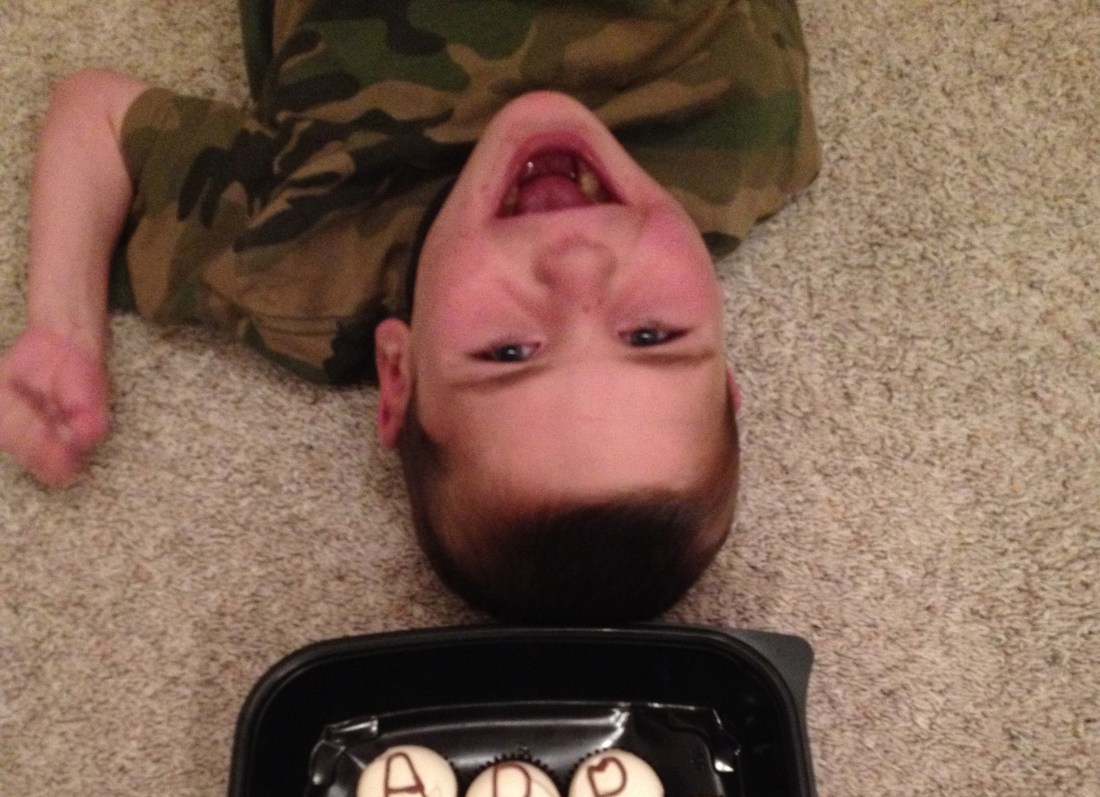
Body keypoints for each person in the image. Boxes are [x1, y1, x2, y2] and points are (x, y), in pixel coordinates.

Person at [0, 0, 819, 621]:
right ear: (727, 370)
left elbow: (94, 116)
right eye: (650, 334)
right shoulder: (753, 132)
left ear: (398, 373)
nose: (575, 262)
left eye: (509, 352)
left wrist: (63, 328)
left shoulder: (297, 265)